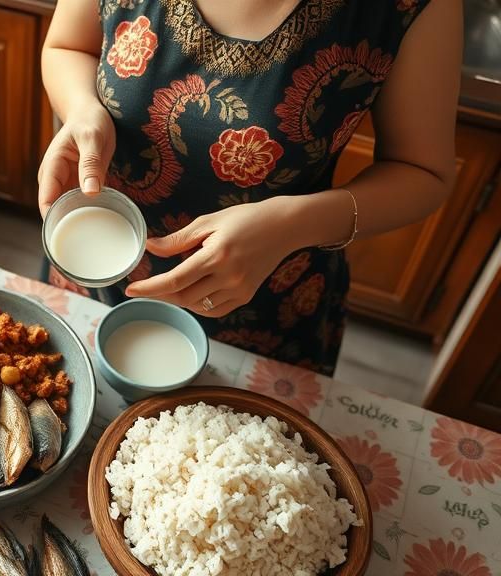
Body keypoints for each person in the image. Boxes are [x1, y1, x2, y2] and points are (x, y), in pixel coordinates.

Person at [38, 0, 460, 375]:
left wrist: (291, 224)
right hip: (94, 262)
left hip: (264, 303)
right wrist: (82, 109)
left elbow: (422, 171)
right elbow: (67, 46)